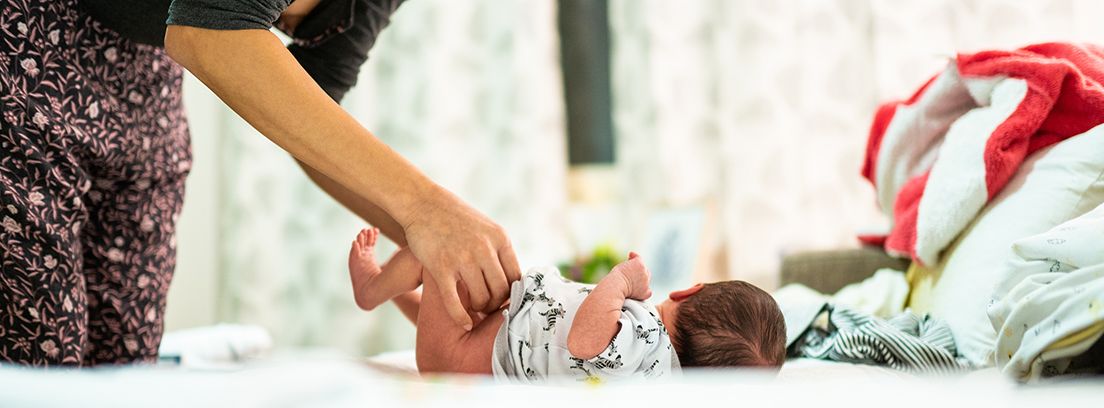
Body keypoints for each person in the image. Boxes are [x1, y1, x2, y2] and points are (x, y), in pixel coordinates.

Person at [0, 0, 517, 366]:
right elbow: (210, 28)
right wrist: (426, 209)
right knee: (42, 358)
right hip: (28, 47)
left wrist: (426, 238)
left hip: (144, 81)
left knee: (128, 364)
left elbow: (312, 121)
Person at [348, 228, 787, 381]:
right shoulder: (653, 370)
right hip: (490, 335)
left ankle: (372, 289)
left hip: (461, 359)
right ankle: (400, 292)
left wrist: (619, 281)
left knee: (441, 250)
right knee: (455, 289)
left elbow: (583, 342)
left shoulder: (647, 339)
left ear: (689, 291)